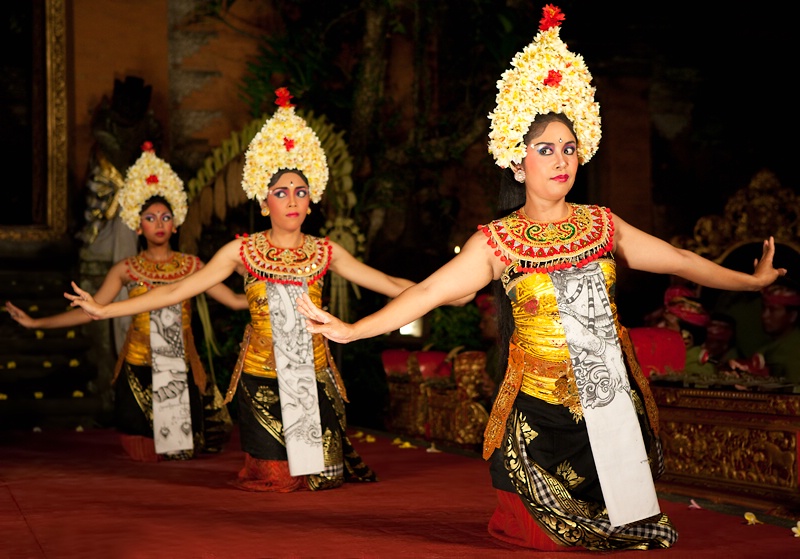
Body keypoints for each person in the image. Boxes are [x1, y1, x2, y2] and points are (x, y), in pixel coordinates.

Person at [294, 5, 786, 551]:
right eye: (545, 149)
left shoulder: (601, 224)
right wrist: (354, 329)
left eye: (570, 149)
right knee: (543, 539)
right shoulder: (497, 241)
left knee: (628, 530)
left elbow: (676, 258)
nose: (561, 161)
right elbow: (430, 293)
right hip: (537, 414)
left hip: (608, 406)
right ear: (516, 161)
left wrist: (748, 282)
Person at [64, 87, 431, 492]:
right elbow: (175, 290)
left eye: (300, 192)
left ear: (312, 202)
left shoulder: (328, 252)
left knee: (322, 482)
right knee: (278, 481)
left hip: (314, 378)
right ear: (263, 203)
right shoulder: (242, 251)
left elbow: (393, 285)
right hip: (260, 379)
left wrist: (447, 292)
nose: (291, 200)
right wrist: (105, 310)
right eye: (280, 192)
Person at [7, 143, 247, 461]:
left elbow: (233, 300)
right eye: (150, 217)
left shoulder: (192, 266)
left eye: (165, 217)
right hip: (139, 366)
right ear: (138, 225)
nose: (159, 223)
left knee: (182, 456)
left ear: (175, 223)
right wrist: (37, 322)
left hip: (179, 366)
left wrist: (261, 286)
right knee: (142, 455)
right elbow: (92, 312)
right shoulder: (126, 269)